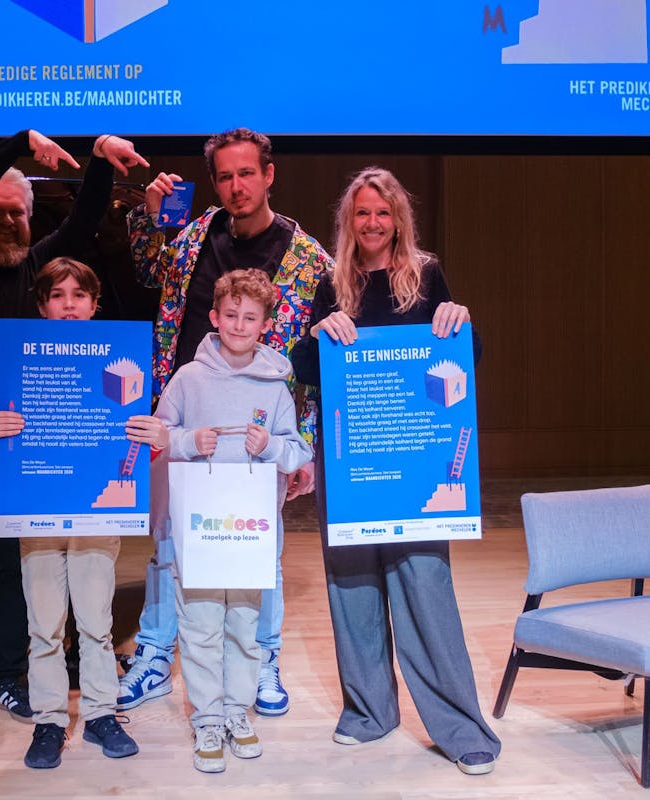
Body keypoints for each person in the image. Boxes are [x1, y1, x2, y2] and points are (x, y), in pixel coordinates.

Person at [0, 129, 149, 734]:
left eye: (17, 212)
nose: (8, 220)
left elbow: (84, 222)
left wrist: (97, 160)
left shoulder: (36, 269)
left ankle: (8, 680)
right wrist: (17, 144)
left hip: (28, 458)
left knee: (17, 577)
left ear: (31, 219)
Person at [289, 168, 502, 775]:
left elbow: (464, 356)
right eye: (362, 213)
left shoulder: (426, 276)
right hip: (351, 460)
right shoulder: (331, 283)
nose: (373, 223)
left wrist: (461, 320)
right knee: (352, 588)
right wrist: (317, 333)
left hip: (414, 464)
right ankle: (370, 712)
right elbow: (305, 368)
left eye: (383, 213)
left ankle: (460, 726)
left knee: (425, 589)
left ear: (399, 219)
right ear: (348, 221)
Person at [118, 128, 333, 716]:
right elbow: (146, 271)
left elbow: (318, 364)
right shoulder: (193, 238)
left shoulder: (310, 260)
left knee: (258, 553)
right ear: (214, 181)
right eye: (225, 176)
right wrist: (149, 216)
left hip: (258, 435)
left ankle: (262, 660)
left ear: (269, 175)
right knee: (168, 545)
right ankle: (156, 655)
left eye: (247, 174)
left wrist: (304, 448)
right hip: (186, 420)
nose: (236, 186)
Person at [0, 257, 167, 768]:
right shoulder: (22, 359)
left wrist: (156, 438)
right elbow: (3, 449)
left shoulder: (118, 357)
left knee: (96, 623)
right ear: (42, 305)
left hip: (95, 516)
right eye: (57, 296)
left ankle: (101, 713)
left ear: (94, 303)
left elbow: (131, 446)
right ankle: (50, 720)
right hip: (39, 512)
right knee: (44, 626)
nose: (68, 306)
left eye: (78, 295)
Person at [154, 268, 314, 772]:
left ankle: (236, 711)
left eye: (250, 318)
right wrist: (188, 441)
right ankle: (206, 717)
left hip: (251, 530)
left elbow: (297, 450)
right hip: (200, 527)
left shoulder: (276, 385)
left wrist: (270, 447)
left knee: (245, 624)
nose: (239, 325)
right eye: (231, 315)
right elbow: (158, 435)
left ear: (266, 324)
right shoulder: (188, 378)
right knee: (200, 623)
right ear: (214, 317)